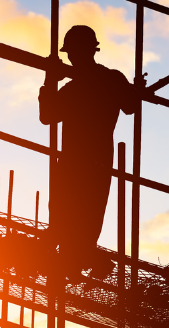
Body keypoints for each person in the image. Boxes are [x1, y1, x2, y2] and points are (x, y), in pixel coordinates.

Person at [39, 25, 139, 278]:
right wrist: (135, 89)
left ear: (83, 52)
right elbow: (130, 106)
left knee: (72, 213)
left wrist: (50, 79)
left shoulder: (77, 88)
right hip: (94, 160)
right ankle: (74, 259)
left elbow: (46, 115)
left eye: (73, 53)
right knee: (82, 213)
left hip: (78, 160)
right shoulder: (109, 79)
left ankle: (72, 260)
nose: (72, 58)